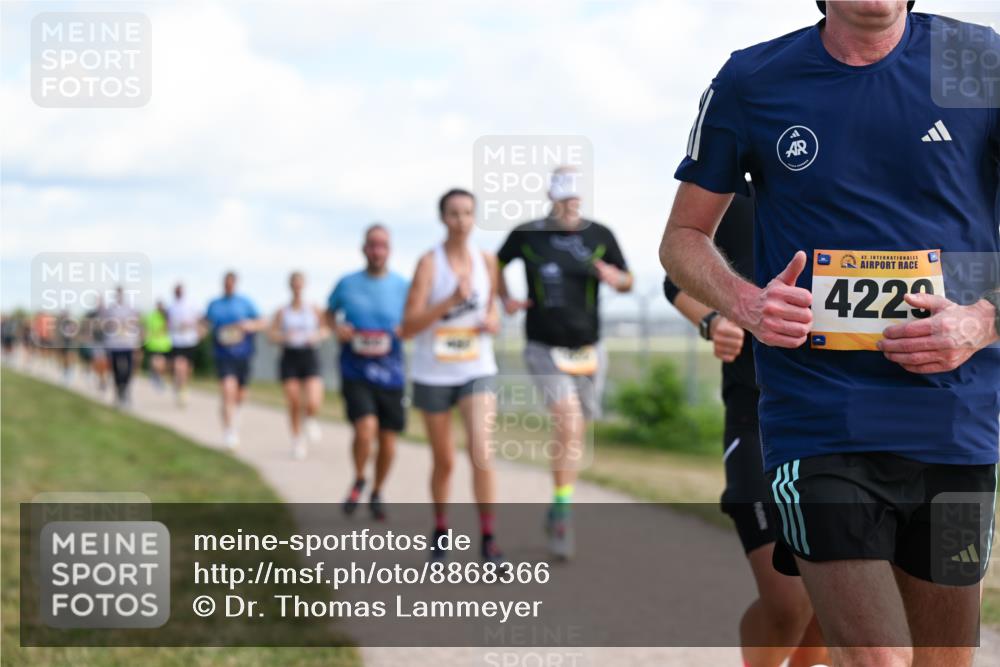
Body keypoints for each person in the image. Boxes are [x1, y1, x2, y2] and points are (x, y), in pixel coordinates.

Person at [659, 2, 999, 664]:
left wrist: (981, 321)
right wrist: (746, 303)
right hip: (821, 420)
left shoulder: (977, 61)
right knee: (878, 658)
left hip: (954, 423)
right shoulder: (753, 79)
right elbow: (682, 237)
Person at [664, 190, 827, 667]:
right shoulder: (738, 199)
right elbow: (675, 277)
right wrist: (713, 321)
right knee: (788, 602)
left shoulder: (851, 193)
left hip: (836, 422)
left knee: (829, 607)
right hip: (754, 419)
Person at [497, 166, 632, 560]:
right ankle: (563, 515)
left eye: (575, 196)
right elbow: (494, 264)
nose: (571, 203)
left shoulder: (600, 235)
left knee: (575, 434)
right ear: (551, 197)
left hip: (589, 348)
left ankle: (559, 502)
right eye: (564, 196)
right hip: (544, 346)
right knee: (568, 422)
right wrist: (504, 298)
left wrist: (615, 278)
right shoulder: (527, 234)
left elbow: (628, 280)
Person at [401, 189, 504, 564]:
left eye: (467, 213)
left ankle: (488, 539)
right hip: (433, 373)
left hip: (477, 369)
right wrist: (449, 302)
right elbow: (408, 327)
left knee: (482, 451)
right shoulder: (430, 263)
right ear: (442, 218)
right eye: (454, 213)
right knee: (444, 460)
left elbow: (492, 311)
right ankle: (441, 528)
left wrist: (492, 321)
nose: (461, 221)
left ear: (475, 217)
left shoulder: (487, 261)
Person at [327, 224, 410, 520]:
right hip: (356, 369)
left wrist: (406, 329)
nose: (377, 251)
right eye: (372, 245)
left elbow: (415, 319)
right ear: (364, 249)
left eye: (382, 245)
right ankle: (360, 477)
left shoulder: (403, 285)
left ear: (390, 250)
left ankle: (377, 491)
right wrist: (337, 328)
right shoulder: (347, 284)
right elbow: (328, 314)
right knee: (365, 429)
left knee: (388, 440)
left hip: (391, 372)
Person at [204, 271, 266, 449]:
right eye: (226, 282)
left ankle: (236, 415)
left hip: (243, 354)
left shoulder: (245, 303)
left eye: (231, 282)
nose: (229, 285)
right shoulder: (214, 304)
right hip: (223, 355)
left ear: (236, 283)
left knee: (240, 394)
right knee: (227, 390)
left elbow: (262, 322)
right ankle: (229, 431)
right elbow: (205, 323)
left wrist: (250, 325)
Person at [270, 271, 328, 460]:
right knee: (294, 401)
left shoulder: (313, 308)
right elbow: (272, 334)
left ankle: (310, 418)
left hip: (309, 355)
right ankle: (297, 440)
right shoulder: (282, 311)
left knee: (313, 399)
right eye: (294, 284)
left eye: (300, 284)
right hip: (290, 356)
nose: (297, 287)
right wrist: (283, 337)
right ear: (290, 286)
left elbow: (326, 329)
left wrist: (317, 335)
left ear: (304, 285)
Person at [101, 287, 142, 408]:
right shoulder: (110, 310)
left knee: (128, 369)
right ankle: (119, 390)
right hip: (114, 344)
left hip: (128, 343)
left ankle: (125, 388)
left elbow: (136, 323)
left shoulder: (130, 309)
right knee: (115, 369)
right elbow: (105, 325)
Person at [167, 283, 201, 407]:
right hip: (176, 341)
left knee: (187, 368)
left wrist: (193, 327)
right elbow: (168, 323)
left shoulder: (191, 304)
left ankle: (183, 386)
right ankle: (180, 388)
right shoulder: (171, 307)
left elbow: (198, 319)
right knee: (178, 366)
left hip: (190, 340)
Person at [143, 300, 172, 391]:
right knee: (155, 362)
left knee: (162, 363)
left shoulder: (166, 316)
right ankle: (155, 375)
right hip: (153, 343)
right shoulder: (151, 316)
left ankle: (158, 376)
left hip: (164, 344)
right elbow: (146, 328)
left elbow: (169, 327)